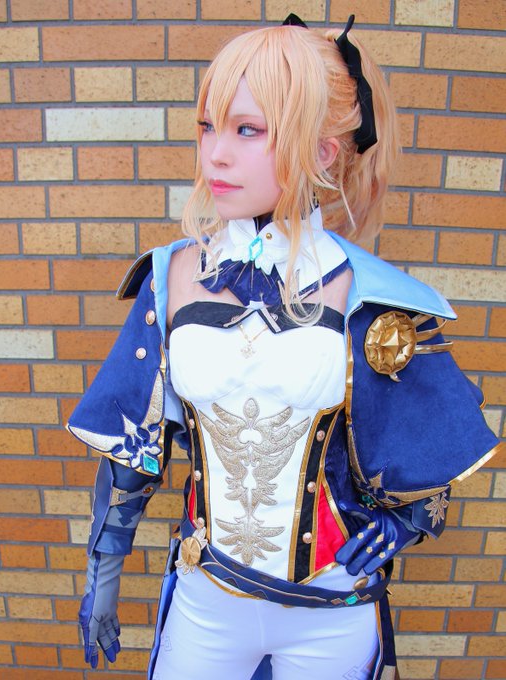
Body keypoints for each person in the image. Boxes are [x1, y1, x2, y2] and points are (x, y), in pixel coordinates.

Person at [67, 14, 500, 680]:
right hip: (208, 599)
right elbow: (132, 444)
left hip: (333, 606)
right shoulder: (170, 277)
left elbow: (434, 448)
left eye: (248, 130)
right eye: (208, 126)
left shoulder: (372, 298)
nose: (216, 154)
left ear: (322, 152)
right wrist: (103, 568)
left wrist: (408, 523)